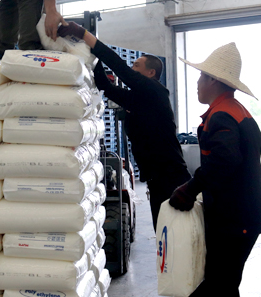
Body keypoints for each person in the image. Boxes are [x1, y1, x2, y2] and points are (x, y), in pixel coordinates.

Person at [57, 21, 191, 232]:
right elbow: (108, 89)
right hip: (157, 179)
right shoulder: (140, 99)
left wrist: (84, 35)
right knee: (164, 235)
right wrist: (86, 55)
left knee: (174, 234)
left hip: (171, 179)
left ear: (150, 73)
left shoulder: (156, 92)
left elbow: (120, 68)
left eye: (137, 66)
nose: (132, 69)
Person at [169, 42, 261, 297]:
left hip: (236, 219)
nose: (197, 82)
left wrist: (190, 189)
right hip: (241, 215)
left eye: (201, 76)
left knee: (219, 285)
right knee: (223, 283)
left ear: (212, 80)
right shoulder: (236, 111)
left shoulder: (222, 115)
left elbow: (226, 160)